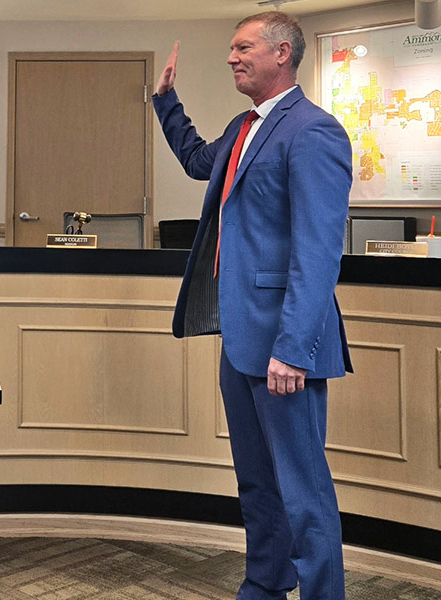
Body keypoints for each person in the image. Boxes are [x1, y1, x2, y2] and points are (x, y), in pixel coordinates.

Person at [152, 12, 352, 600]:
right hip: (240, 341)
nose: (232, 57)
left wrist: (293, 350)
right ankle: (265, 583)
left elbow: (317, 253)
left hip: (285, 348)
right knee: (257, 484)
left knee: (303, 492)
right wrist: (167, 102)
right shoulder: (246, 127)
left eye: (243, 47)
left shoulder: (313, 131)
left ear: (282, 52)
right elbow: (197, 163)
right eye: (232, 48)